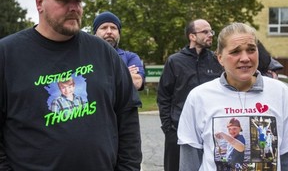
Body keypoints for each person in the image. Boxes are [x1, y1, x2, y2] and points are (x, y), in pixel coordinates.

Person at [0, 0, 142, 170]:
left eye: (78, 0)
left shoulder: (103, 52)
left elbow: (127, 115)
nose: (74, 7)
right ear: (39, 2)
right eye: (64, 0)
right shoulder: (7, 54)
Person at [177, 22, 288, 170]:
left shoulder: (280, 92)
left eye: (251, 50)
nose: (245, 58)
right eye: (235, 52)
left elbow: (285, 155)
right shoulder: (199, 97)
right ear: (220, 58)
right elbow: (189, 160)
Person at [157, 19, 223, 171]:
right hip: (178, 130)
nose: (210, 35)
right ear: (192, 36)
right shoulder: (175, 61)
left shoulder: (216, 60)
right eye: (205, 32)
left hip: (210, 129)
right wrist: (169, 128)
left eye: (211, 31)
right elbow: (164, 96)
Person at [93, 11, 145, 91]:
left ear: (119, 34)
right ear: (95, 33)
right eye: (104, 28)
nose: (109, 32)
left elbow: (137, 82)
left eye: (113, 28)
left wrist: (98, 74)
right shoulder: (86, 55)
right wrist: (125, 72)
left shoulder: (130, 57)